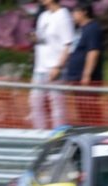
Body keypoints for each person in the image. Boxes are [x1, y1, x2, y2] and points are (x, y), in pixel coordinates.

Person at [29, 0, 74, 130]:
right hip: (40, 67)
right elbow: (41, 39)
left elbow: (68, 44)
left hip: (54, 66)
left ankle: (58, 133)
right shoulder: (43, 16)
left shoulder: (63, 15)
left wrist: (59, 66)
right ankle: (39, 132)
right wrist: (34, 38)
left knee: (57, 103)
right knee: (35, 102)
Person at [60, 0, 104, 126]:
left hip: (86, 78)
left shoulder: (92, 28)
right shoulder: (80, 29)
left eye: (75, 12)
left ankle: (93, 129)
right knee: (82, 107)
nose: (72, 15)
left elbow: (93, 52)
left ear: (84, 12)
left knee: (89, 108)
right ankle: (85, 128)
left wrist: (86, 74)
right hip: (76, 76)